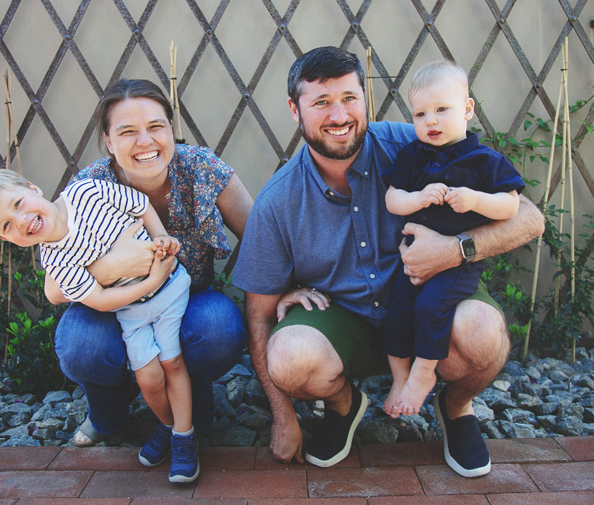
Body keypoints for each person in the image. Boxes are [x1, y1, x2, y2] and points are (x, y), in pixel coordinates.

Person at [233, 47, 544, 477]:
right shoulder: (277, 202)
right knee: (287, 356)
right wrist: (283, 417)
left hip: (432, 297)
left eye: (349, 98)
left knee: (483, 333)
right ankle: (344, 406)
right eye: (321, 102)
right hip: (348, 321)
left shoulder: (418, 145)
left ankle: (455, 407)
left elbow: (528, 217)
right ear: (294, 109)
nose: (339, 115)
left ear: (367, 100)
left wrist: (456, 249)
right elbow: (259, 317)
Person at [43, 79, 251, 450]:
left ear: (171, 130)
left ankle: (192, 413)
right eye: (127, 132)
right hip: (113, 307)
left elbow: (258, 238)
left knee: (219, 328)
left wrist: (296, 287)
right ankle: (109, 414)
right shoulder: (90, 185)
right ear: (108, 141)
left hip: (187, 300)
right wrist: (110, 268)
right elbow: (55, 288)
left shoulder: (201, 167)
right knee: (81, 345)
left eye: (156, 126)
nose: (145, 142)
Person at [0, 169, 199, 483]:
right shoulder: (54, 262)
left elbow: (139, 203)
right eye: (7, 225)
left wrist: (161, 238)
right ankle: (169, 427)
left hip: (169, 290)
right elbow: (100, 299)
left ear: (33, 187)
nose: (20, 220)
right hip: (131, 310)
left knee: (171, 361)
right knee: (149, 379)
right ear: (7, 240)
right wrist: (148, 282)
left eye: (18, 203)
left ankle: (184, 437)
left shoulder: (85, 193)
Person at [381, 59, 525, 421]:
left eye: (441, 110)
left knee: (432, 307)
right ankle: (399, 378)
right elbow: (393, 197)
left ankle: (423, 374)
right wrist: (418, 198)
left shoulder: (484, 160)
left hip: (459, 264)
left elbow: (511, 204)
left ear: (467, 109)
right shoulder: (412, 155)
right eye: (419, 114)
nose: (430, 121)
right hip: (414, 258)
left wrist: (476, 200)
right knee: (397, 310)